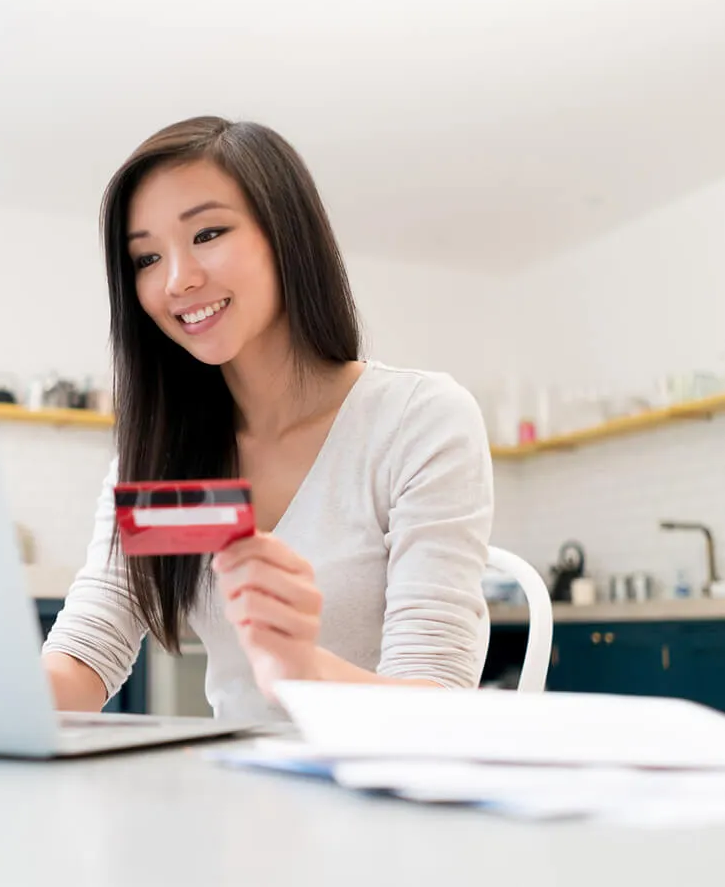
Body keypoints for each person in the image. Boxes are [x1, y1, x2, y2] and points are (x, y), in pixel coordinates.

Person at [42, 116, 493, 722]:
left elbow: (439, 702)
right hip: (235, 796)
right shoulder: (172, 454)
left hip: (382, 799)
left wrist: (301, 671)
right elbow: (91, 646)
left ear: (285, 235)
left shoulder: (416, 423)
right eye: (146, 256)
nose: (178, 280)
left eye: (208, 234)